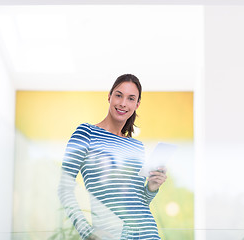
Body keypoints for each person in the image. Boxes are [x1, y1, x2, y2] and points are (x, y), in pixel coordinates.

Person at [58, 74, 167, 240]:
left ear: (137, 105)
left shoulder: (136, 146)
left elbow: (138, 202)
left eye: (131, 98)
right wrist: (87, 233)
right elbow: (64, 188)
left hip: (148, 233)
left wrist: (151, 187)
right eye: (118, 95)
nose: (123, 103)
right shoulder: (86, 133)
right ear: (109, 96)